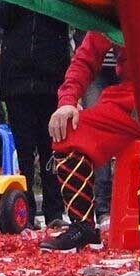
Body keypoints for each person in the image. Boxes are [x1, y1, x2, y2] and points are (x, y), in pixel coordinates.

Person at [37, 30, 131, 250]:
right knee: (67, 131)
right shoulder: (118, 11)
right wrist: (68, 101)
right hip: (131, 101)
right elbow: (86, 58)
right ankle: (83, 225)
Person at [0, 0, 71, 223]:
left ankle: (55, 212)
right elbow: (0, 17)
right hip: (17, 79)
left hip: (52, 77)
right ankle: (23, 212)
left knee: (51, 148)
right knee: (22, 151)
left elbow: (66, 16)